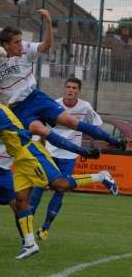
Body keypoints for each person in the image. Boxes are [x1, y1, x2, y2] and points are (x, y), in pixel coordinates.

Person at [0, 91, 118, 259]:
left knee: (60, 185)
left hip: (30, 153)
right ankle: (30, 244)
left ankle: (102, 176)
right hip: (19, 160)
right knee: (21, 201)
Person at [0, 9, 127, 158]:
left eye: (21, 41)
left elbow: (46, 45)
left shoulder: (26, 49)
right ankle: (84, 152)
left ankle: (115, 141)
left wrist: (49, 23)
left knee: (71, 122)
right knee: (40, 130)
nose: (21, 45)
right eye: (17, 42)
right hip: (18, 109)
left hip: (36, 98)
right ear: (6, 44)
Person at [29, 78, 118, 241]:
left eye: (74, 88)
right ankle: (28, 223)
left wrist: (91, 143)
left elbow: (96, 125)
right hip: (50, 152)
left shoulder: (85, 107)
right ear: (64, 89)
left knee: (61, 190)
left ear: (79, 91)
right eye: (68, 87)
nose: (70, 90)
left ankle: (45, 229)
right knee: (38, 186)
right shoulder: (53, 105)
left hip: (69, 156)